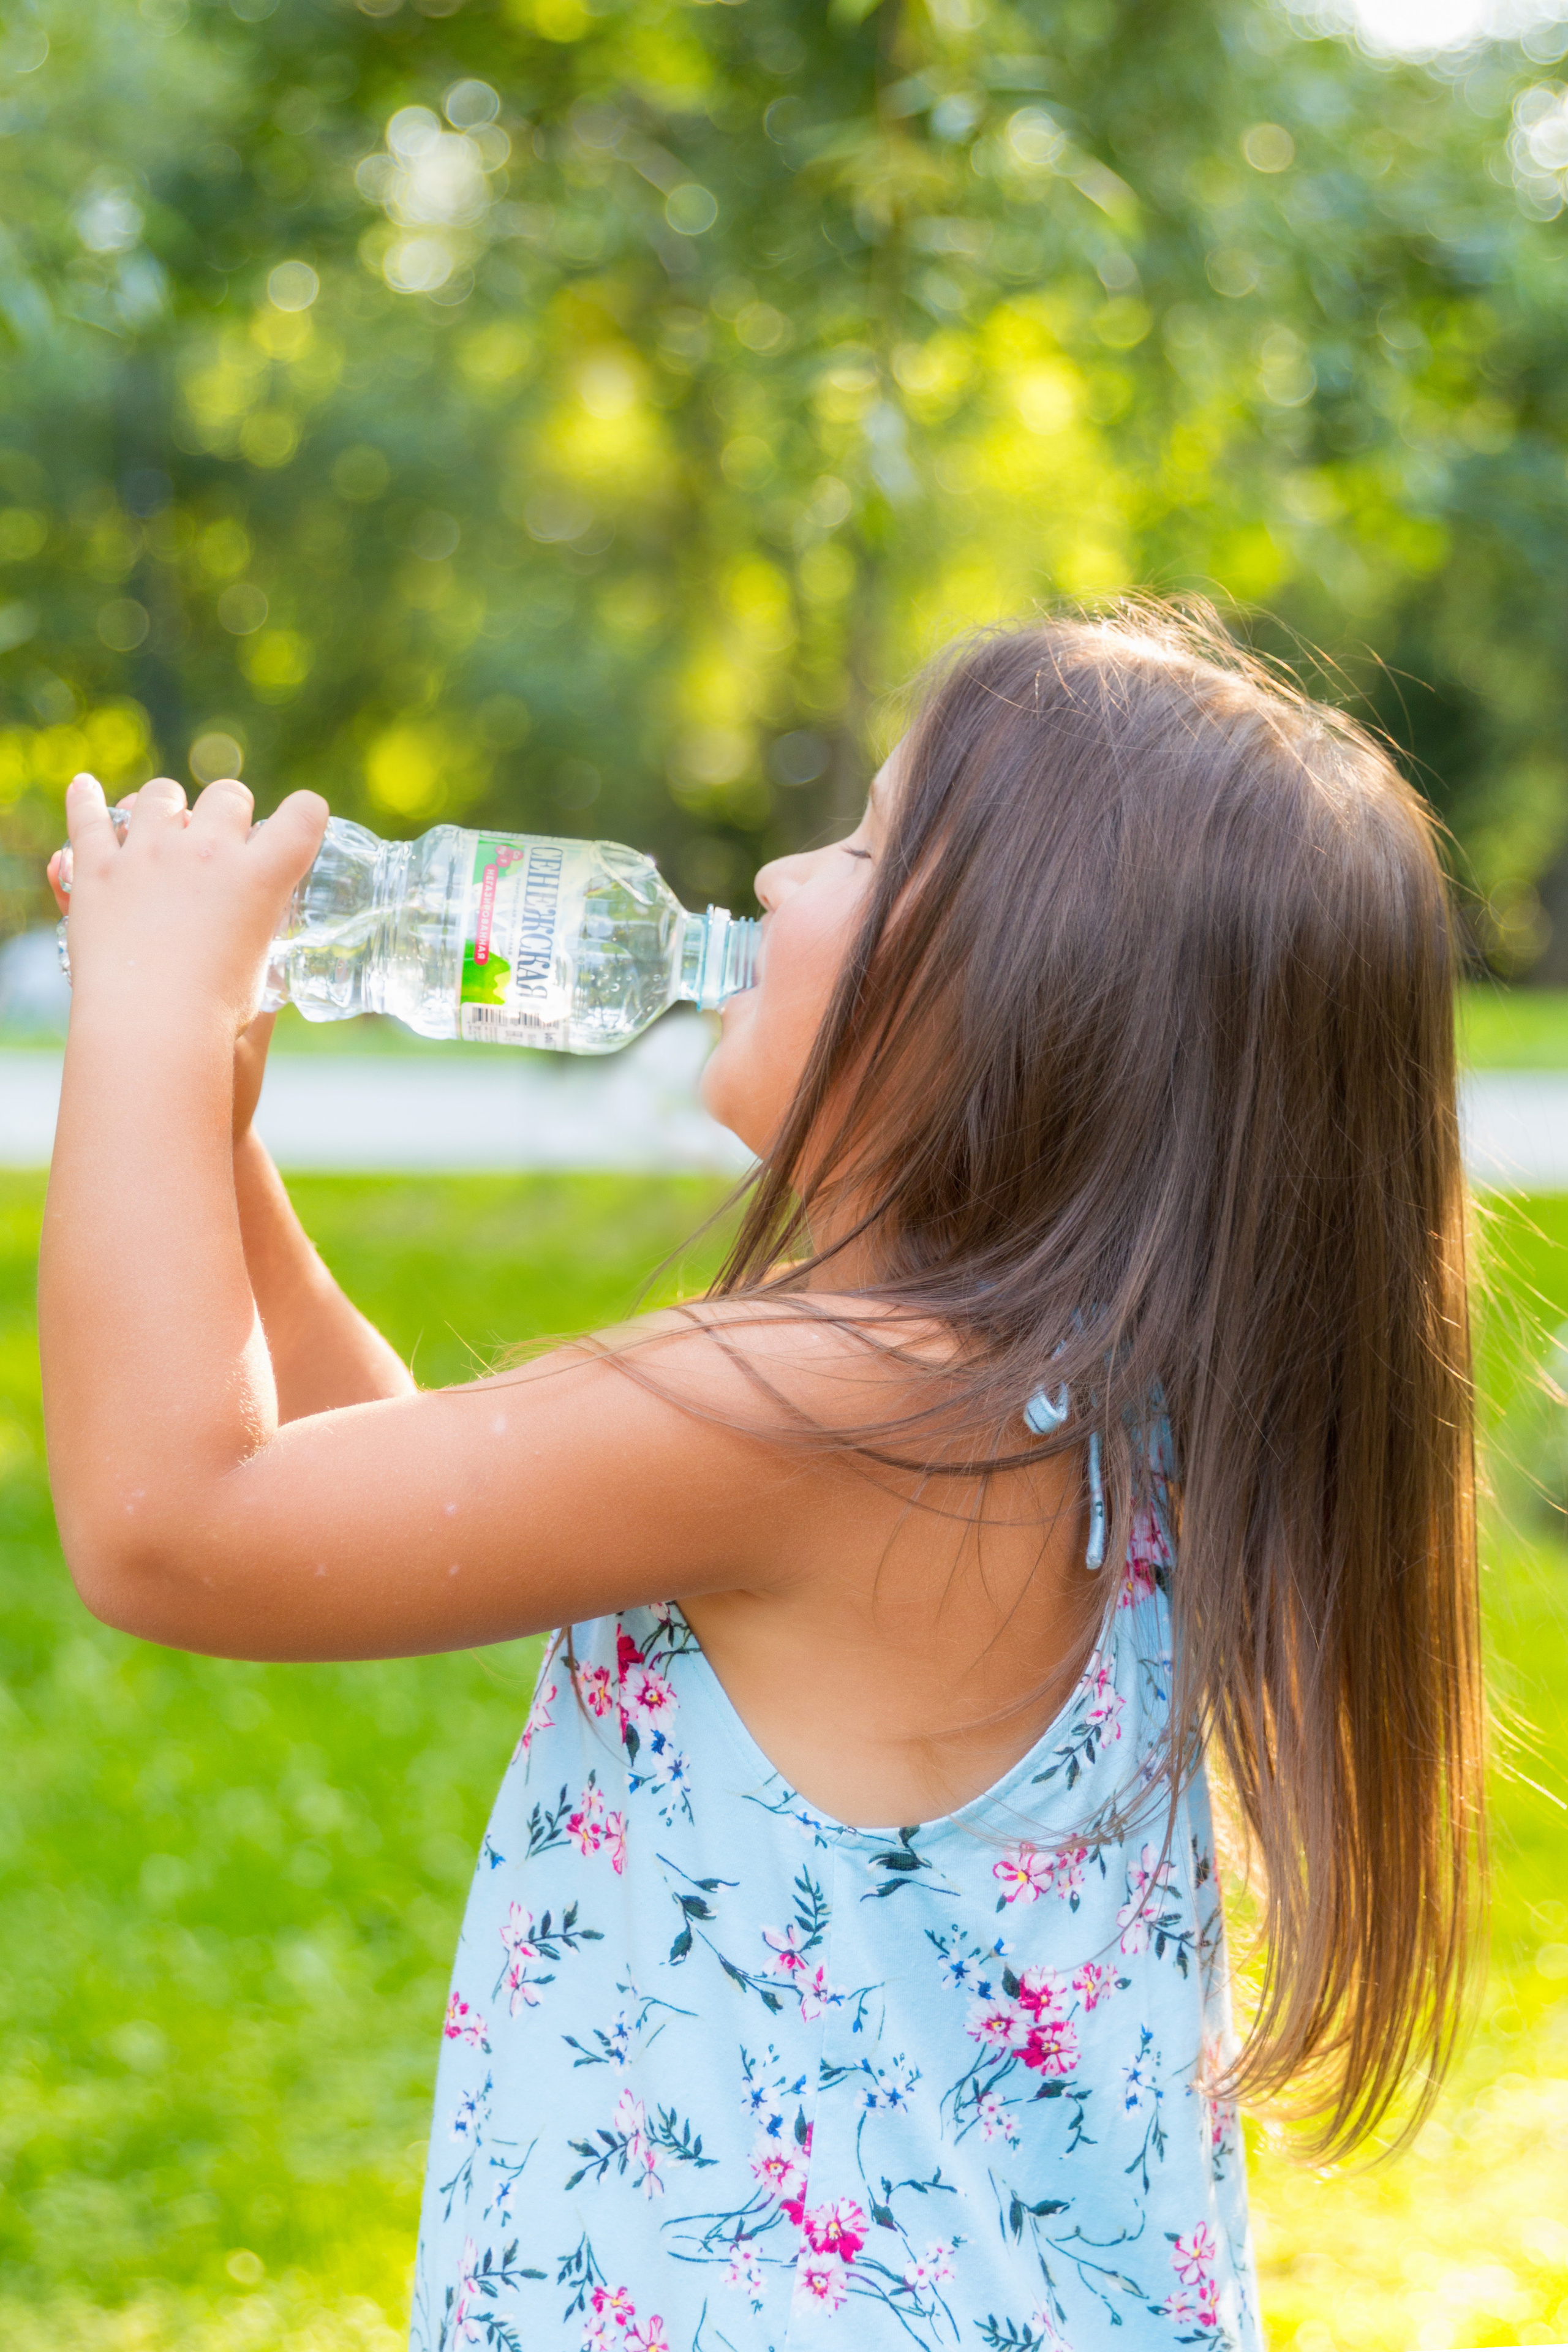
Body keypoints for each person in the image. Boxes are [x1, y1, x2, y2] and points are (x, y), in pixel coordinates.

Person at [39, 609, 1482, 2352]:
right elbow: (404, 1492)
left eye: (869, 846)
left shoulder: (820, 1410)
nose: (787, 878)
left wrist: (132, 1023)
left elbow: (173, 1531)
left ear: (1019, 1006)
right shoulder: (1070, 1419)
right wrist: (217, 1141)